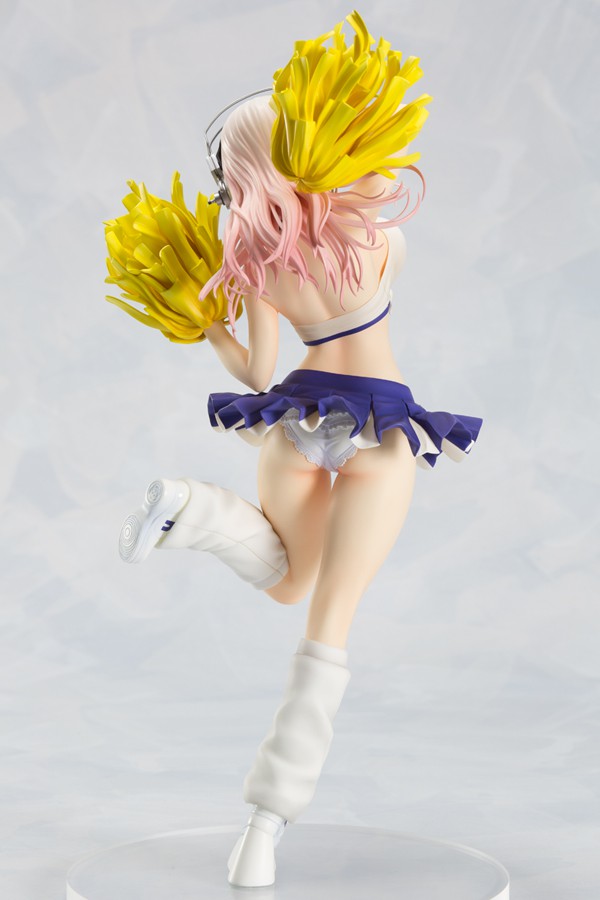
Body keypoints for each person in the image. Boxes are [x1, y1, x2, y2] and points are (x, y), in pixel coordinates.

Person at [117, 12, 482, 888]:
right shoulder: (378, 238)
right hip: (381, 429)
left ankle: (194, 510)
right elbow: (376, 184)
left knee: (286, 582)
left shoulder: (258, 266)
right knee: (328, 624)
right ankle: (265, 827)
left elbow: (255, 371)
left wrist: (208, 325)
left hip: (295, 419)